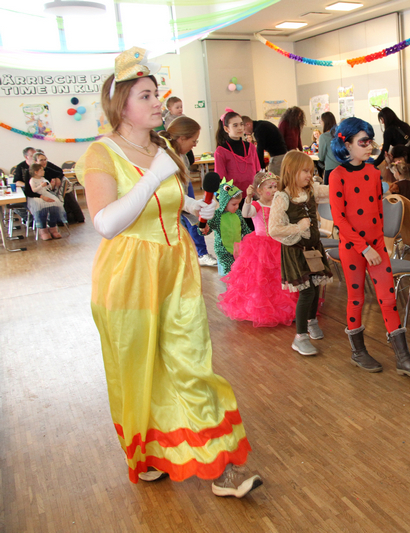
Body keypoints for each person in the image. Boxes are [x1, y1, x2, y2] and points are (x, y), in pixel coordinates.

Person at [75, 47, 261, 497]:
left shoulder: (159, 149)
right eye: (145, 95)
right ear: (121, 106)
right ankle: (147, 454)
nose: (157, 102)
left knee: (190, 362)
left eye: (156, 93)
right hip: (128, 277)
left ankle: (222, 469)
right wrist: (153, 176)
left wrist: (197, 206)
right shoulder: (102, 153)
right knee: (138, 372)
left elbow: (167, 201)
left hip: (175, 269)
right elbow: (106, 223)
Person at [329, 117, 410, 376]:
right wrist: (364, 248)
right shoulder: (337, 176)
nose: (369, 146)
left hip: (377, 247)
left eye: (370, 141)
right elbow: (340, 219)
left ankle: (403, 357)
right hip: (353, 249)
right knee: (357, 298)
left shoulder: (373, 173)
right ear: (347, 144)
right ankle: (358, 351)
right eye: (363, 142)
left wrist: (379, 245)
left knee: (388, 298)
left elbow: (378, 212)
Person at [269, 151, 333, 356]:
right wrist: (298, 227)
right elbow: (274, 229)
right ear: (291, 171)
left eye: (311, 171)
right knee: (306, 292)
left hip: (313, 249)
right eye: (305, 171)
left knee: (315, 287)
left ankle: (311, 320)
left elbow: (332, 191)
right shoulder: (282, 197)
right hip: (296, 252)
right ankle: (300, 337)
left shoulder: (311, 190)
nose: (309, 175)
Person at [218, 172, 297, 327]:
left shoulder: (277, 203)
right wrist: (248, 198)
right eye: (270, 187)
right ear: (259, 191)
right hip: (261, 245)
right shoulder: (257, 204)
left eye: (275, 187)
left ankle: (284, 307)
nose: (274, 190)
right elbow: (246, 214)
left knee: (280, 276)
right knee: (261, 277)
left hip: (278, 242)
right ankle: (261, 309)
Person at [162, 116, 217, 267]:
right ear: (181, 138)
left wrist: (198, 218)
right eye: (194, 141)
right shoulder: (164, 158)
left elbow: (181, 196)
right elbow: (170, 195)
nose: (195, 145)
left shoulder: (181, 156)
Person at [207, 179, 251, 276]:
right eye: (234, 204)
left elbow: (245, 229)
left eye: (238, 204)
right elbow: (206, 230)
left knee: (240, 271)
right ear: (224, 202)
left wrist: (252, 236)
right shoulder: (217, 216)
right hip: (223, 251)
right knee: (230, 273)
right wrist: (203, 227)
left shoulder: (238, 213)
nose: (237, 207)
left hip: (237, 250)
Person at [214, 108, 261, 194]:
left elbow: (257, 172)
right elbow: (221, 178)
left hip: (251, 193)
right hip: (232, 195)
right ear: (226, 129)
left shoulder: (251, 147)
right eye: (235, 125)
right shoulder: (221, 151)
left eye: (241, 124)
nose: (240, 128)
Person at [33, 151, 85, 224]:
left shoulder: (47, 168)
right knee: (64, 195)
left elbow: (60, 172)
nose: (44, 162)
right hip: (40, 194)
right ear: (35, 161)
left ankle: (74, 218)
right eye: (41, 160)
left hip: (53, 191)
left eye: (45, 159)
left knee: (66, 193)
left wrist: (57, 178)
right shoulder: (32, 173)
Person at [27, 162, 66, 240]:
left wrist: (50, 184)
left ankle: (53, 227)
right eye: (42, 170)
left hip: (46, 194)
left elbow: (49, 188)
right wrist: (41, 186)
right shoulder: (32, 180)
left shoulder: (43, 178)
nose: (44, 171)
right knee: (42, 207)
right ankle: (43, 229)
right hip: (37, 196)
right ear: (36, 172)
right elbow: (33, 190)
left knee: (55, 203)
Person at [317, 112, 339, 184]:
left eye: (321, 121)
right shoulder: (339, 134)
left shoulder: (323, 136)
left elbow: (321, 156)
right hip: (342, 168)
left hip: (330, 168)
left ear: (325, 122)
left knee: (329, 190)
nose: (320, 123)